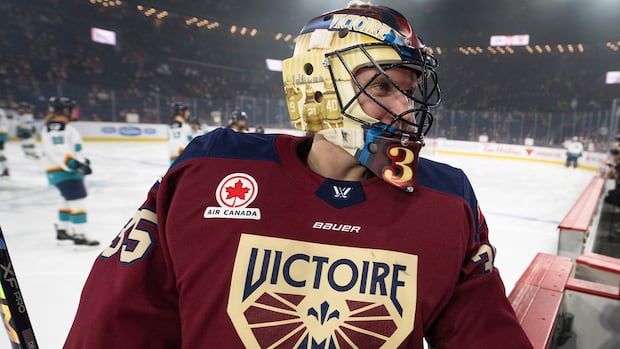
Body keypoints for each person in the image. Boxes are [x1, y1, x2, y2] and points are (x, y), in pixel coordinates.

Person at [65, 3, 532, 348]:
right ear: (317, 84)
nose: (406, 108)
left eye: (409, 92)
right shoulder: (210, 169)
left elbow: (485, 334)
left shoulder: (446, 200)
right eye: (384, 87)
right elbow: (119, 320)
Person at [41, 97, 99, 246]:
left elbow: (71, 149)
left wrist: (82, 161)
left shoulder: (63, 127)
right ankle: (79, 234)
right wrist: (75, 164)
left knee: (67, 199)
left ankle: (63, 230)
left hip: (64, 170)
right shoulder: (57, 127)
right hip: (62, 171)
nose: (76, 112)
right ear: (65, 111)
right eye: (73, 109)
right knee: (78, 200)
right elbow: (57, 150)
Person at [0, 107, 9, 177]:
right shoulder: (1, 111)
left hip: (1, 134)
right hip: (2, 134)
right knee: (1, 153)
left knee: (0, 153)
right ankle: (5, 169)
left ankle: (5, 169)